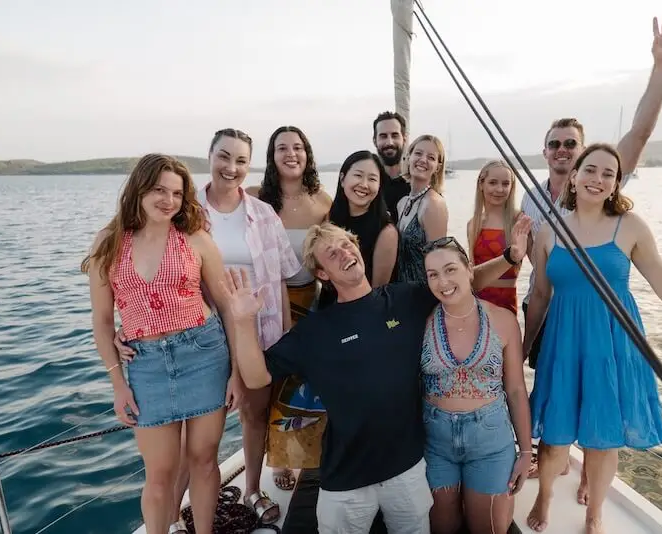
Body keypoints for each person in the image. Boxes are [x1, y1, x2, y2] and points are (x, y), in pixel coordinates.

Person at [482, 12, 662, 498]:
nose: (561, 150)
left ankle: (591, 480)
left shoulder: (602, 179)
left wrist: (661, 68)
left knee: (599, 393)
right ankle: (550, 461)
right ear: (545, 151)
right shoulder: (529, 199)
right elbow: (528, 267)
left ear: (585, 152)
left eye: (570, 143)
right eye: (553, 144)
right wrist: (526, 332)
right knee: (553, 391)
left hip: (597, 312)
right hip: (549, 308)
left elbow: (639, 133)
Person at [216, 220, 531, 533]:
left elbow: (459, 283)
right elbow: (258, 378)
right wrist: (243, 321)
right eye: (331, 253)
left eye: (346, 244)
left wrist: (510, 258)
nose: (344, 253)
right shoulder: (314, 331)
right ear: (322, 274)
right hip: (345, 480)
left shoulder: (404, 299)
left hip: (407, 470)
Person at [522, 143, 662, 533]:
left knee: (603, 439)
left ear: (617, 183)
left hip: (612, 344)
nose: (598, 179)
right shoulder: (549, 230)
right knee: (554, 437)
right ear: (574, 175)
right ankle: (546, 495)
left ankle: (595, 513)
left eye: (609, 174)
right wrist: (521, 348)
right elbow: (539, 295)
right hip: (564, 345)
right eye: (591, 170)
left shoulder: (630, 226)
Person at [82, 154, 236, 534]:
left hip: (204, 354)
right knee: (159, 474)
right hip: (146, 365)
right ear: (139, 189)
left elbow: (227, 306)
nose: (168, 200)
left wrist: (236, 372)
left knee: (203, 460)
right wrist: (118, 385)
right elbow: (102, 323)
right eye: (158, 190)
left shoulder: (196, 239)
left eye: (177, 193)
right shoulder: (109, 242)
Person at [420, 234, 532, 534]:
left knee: (490, 528)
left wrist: (525, 452)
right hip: (435, 440)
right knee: (442, 527)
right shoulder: (421, 320)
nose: (443, 281)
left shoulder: (503, 320)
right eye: (433, 275)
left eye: (450, 269)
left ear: (469, 269)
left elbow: (517, 390)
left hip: (490, 441)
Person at [247, 125, 333, 491]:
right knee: (266, 387)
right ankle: (267, 464)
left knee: (301, 387)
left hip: (310, 302)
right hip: (265, 305)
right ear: (272, 156)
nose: (291, 154)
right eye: (282, 148)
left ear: (307, 153)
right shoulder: (255, 198)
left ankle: (291, 455)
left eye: (297, 147)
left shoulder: (322, 202)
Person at [319, 150, 398, 307]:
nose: (364, 184)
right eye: (358, 175)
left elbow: (377, 292)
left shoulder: (386, 232)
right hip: (327, 308)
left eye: (372, 179)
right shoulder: (329, 218)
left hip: (362, 311)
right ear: (342, 179)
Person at [467, 160, 523, 315]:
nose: (499, 189)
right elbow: (472, 273)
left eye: (505, 184)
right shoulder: (473, 224)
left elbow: (538, 267)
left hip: (505, 306)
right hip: (476, 305)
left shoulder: (518, 220)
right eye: (493, 183)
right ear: (481, 184)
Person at [396, 134, 449, 283]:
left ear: (437, 167)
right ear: (408, 157)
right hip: (401, 292)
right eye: (418, 153)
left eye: (431, 157)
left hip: (423, 293)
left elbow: (439, 261)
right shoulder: (402, 203)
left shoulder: (433, 204)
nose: (423, 160)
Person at [372, 111, 410, 222]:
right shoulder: (367, 185)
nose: (390, 142)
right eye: (383, 136)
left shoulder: (416, 184)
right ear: (375, 141)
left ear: (404, 139)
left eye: (395, 135)